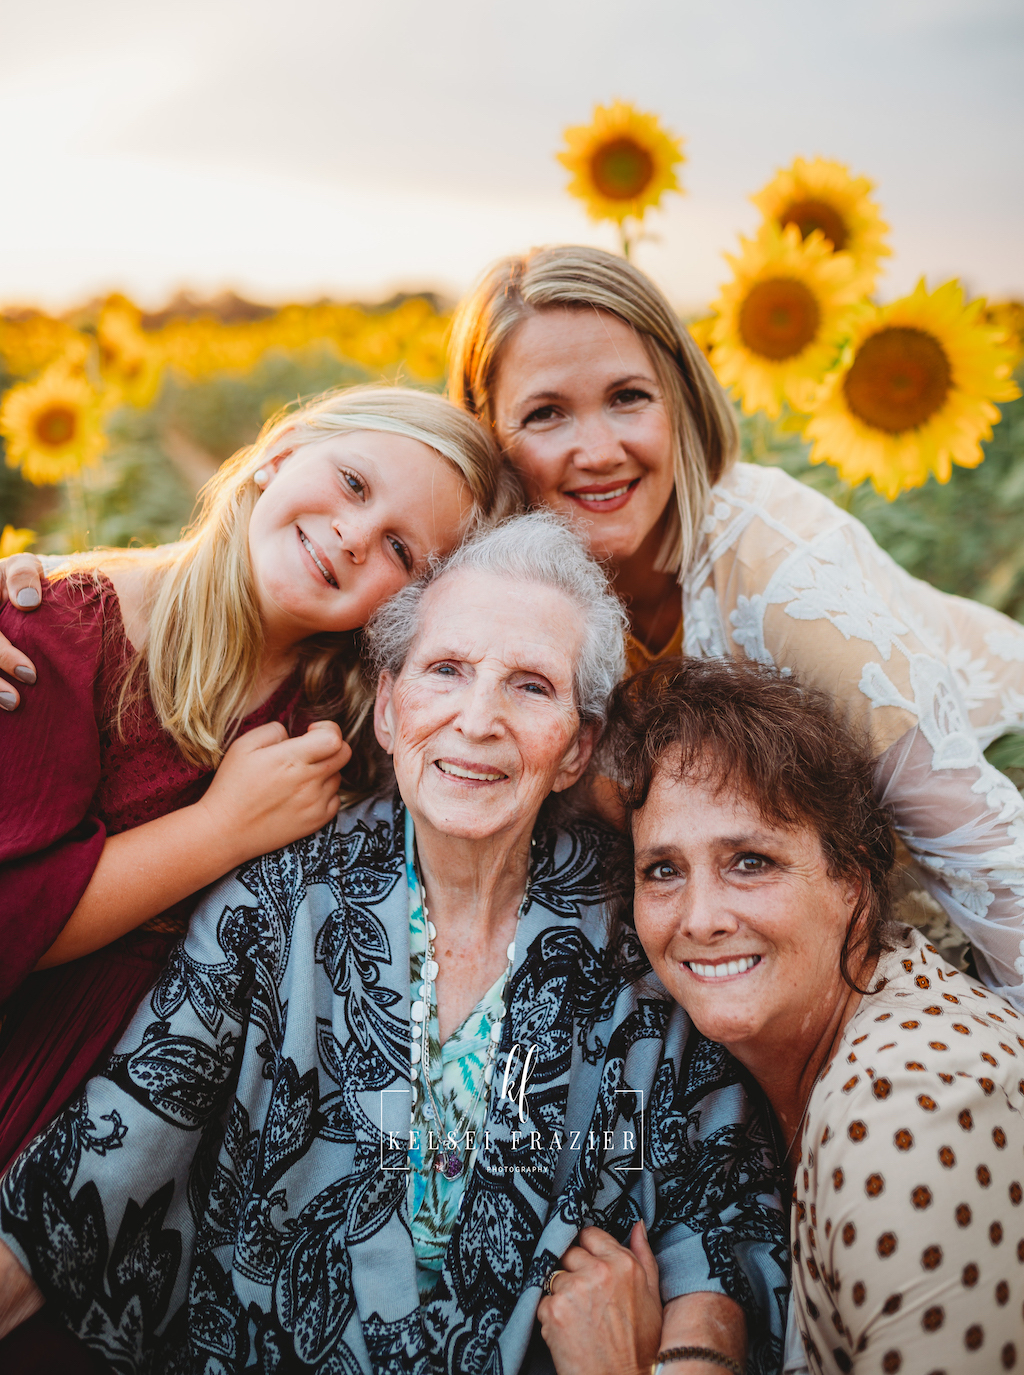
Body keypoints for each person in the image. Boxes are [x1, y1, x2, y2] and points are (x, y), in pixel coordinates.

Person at [0, 516, 788, 1375]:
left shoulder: (641, 925)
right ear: (387, 707)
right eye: (446, 670)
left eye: (531, 687)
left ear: (578, 747)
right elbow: (90, 1182)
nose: (478, 719)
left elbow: (719, 1215)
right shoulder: (274, 905)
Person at [444, 244, 1024, 1010]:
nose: (598, 451)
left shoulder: (779, 573)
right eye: (547, 413)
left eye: (628, 397)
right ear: (487, 435)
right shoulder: (501, 584)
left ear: (681, 396)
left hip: (977, 800)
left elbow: (984, 854)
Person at [0, 383, 507, 1179]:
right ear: (280, 453)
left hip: (182, 1164)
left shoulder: (339, 728)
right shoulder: (49, 630)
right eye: (352, 483)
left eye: (401, 551)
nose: (351, 535)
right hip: (26, 1112)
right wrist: (219, 830)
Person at [561, 655, 1022, 1375]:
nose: (701, 918)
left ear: (853, 880)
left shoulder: (903, 1111)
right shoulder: (765, 1077)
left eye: (750, 861)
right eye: (664, 870)